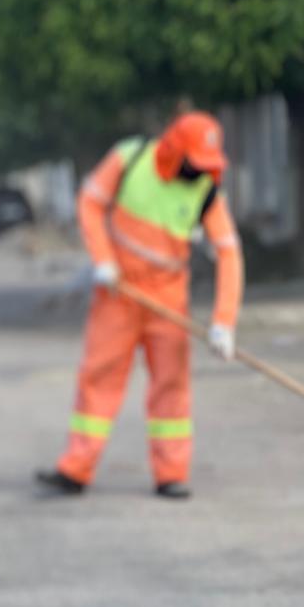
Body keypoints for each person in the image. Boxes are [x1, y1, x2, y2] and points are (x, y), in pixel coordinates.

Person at [35, 112, 244, 499]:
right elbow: (90, 203)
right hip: (118, 292)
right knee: (99, 378)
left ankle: (171, 473)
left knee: (172, 385)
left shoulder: (207, 190)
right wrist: (103, 259)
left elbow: (229, 253)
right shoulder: (130, 158)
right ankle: (76, 469)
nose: (199, 172)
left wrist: (223, 322)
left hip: (168, 297)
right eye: (193, 163)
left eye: (206, 166)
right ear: (173, 151)